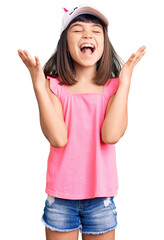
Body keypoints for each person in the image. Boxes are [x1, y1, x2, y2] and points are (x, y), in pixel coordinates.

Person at [17, 4, 146, 240]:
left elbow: (111, 135)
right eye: (78, 30)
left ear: (104, 44)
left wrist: (125, 82)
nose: (88, 35)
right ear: (65, 42)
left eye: (96, 31)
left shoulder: (114, 88)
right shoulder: (54, 88)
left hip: (101, 200)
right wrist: (38, 86)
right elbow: (58, 138)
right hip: (61, 199)